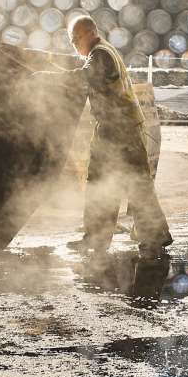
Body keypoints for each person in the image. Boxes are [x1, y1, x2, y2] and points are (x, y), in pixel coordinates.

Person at [64, 14, 172, 265]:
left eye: (74, 39)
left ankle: (154, 236)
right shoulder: (103, 52)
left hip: (122, 131)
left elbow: (83, 77)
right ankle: (96, 237)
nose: (73, 45)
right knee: (100, 183)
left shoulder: (100, 54)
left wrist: (46, 75)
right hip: (112, 130)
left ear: (89, 33)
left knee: (136, 185)